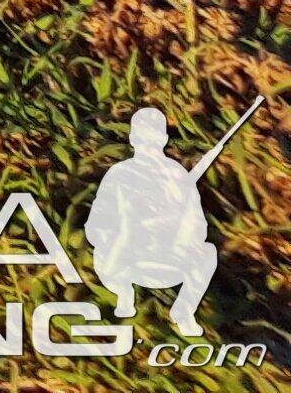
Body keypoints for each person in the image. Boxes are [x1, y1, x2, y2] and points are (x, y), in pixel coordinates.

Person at [87, 108, 220, 336]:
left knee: (207, 252)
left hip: (168, 261)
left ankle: (184, 310)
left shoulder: (176, 175)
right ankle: (124, 293)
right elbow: (96, 225)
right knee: (103, 251)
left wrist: (174, 233)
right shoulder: (120, 174)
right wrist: (125, 233)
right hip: (126, 261)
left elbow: (197, 226)